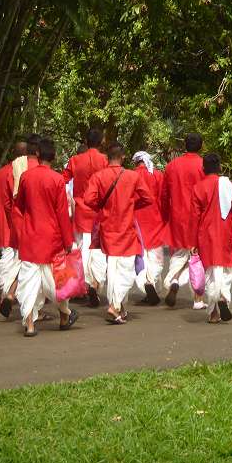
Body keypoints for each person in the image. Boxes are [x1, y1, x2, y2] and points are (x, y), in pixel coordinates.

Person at [14, 138, 78, 337]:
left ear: (38, 155)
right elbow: (62, 214)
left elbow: (20, 206)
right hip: (52, 239)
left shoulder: (26, 177)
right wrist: (68, 242)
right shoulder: (57, 180)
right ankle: (65, 314)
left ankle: (30, 325)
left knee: (29, 281)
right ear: (55, 156)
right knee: (57, 280)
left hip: (31, 237)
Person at [84, 143, 153, 324]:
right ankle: (114, 306)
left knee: (113, 270)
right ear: (122, 157)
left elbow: (88, 199)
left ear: (107, 158)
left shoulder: (98, 176)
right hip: (126, 228)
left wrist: (102, 207)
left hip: (108, 228)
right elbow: (148, 198)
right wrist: (131, 205)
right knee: (127, 271)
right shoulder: (132, 176)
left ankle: (119, 307)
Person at [190, 153, 232, 323]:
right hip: (226, 234)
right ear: (219, 168)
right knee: (226, 270)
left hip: (206, 236)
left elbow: (194, 217)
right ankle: (223, 297)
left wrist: (193, 242)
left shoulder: (198, 188)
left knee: (211, 272)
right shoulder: (228, 185)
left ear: (203, 169)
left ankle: (212, 313)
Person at [63, 128, 108, 306]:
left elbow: (62, 180)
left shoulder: (75, 160)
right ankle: (94, 283)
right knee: (97, 250)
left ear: (86, 141)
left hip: (81, 210)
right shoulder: (105, 160)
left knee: (82, 250)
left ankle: (85, 283)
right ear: (101, 142)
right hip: (99, 211)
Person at [161, 133, 205, 308]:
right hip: (199, 217)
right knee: (198, 257)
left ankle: (174, 280)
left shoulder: (172, 166)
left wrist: (166, 216)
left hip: (178, 216)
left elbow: (164, 195)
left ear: (184, 146)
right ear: (200, 146)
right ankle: (198, 298)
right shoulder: (204, 165)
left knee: (179, 254)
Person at [0, 140, 27, 317]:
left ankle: (6, 294)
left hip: (2, 224)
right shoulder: (18, 172)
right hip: (15, 225)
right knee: (19, 262)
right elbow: (12, 203)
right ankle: (9, 294)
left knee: (7, 261)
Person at [131, 150, 168, 305]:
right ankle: (151, 282)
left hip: (137, 220)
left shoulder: (131, 175)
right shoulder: (158, 175)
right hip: (155, 219)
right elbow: (164, 197)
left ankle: (146, 283)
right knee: (156, 257)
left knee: (141, 257)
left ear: (135, 162)